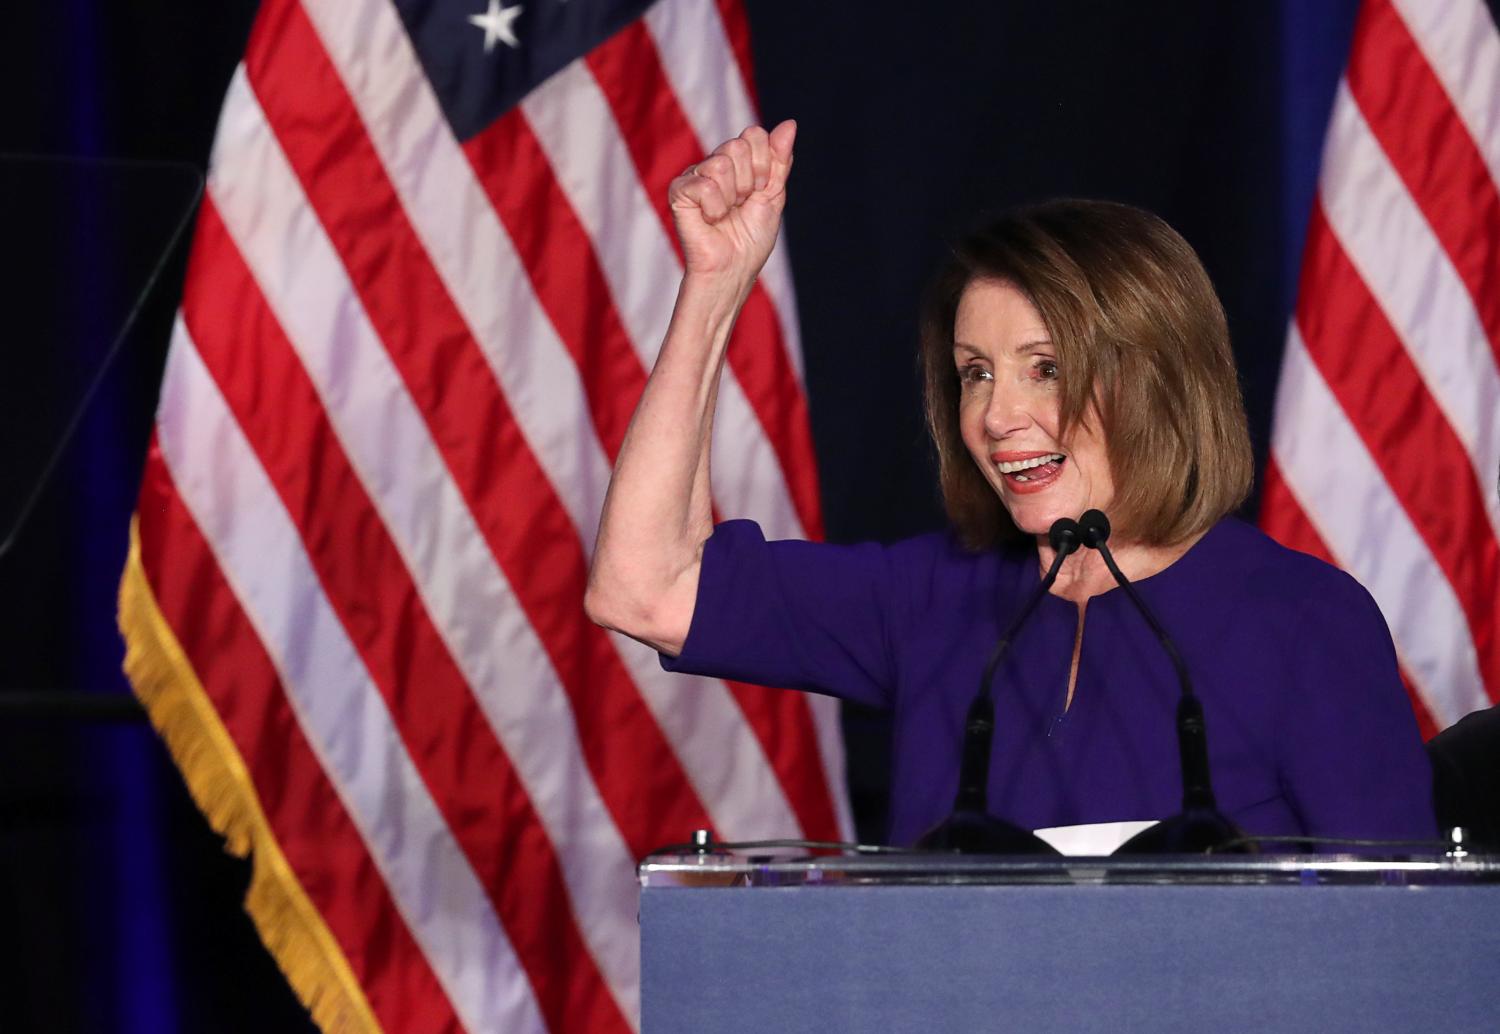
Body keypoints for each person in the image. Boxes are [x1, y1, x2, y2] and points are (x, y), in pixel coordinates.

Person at [585, 121, 1436, 849]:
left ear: (1160, 379)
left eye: (1046, 369)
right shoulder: (931, 601)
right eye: (975, 374)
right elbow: (646, 587)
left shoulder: (1303, 621)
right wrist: (715, 285)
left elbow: (1400, 955)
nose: (998, 416)